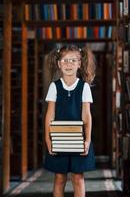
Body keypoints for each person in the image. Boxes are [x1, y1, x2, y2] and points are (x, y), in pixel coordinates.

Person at [44, 44, 96, 197]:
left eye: (73, 60)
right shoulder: (54, 87)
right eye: (65, 60)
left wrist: (87, 140)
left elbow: (87, 116)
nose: (69, 64)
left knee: (78, 178)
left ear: (79, 64)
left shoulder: (84, 87)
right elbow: (50, 115)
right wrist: (48, 139)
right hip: (59, 139)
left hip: (78, 140)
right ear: (59, 64)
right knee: (59, 178)